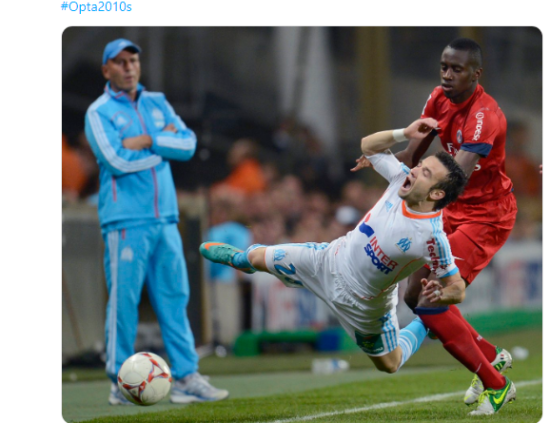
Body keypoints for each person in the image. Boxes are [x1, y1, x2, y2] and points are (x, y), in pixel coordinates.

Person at [202, 119, 516, 415]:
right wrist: (404, 133)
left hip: (365, 306)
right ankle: (239, 259)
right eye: (420, 165)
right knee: (258, 258)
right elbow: (368, 146)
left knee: (390, 364)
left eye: (425, 173)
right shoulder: (400, 179)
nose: (414, 170)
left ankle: (423, 325)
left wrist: (443, 295)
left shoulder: (431, 237)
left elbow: (457, 287)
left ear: (435, 193)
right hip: (326, 261)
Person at [84, 38, 228, 405]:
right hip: (125, 220)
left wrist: (147, 139)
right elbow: (115, 160)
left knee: (175, 297)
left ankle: (186, 376)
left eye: (133, 60)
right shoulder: (98, 112)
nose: (128, 67)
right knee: (124, 301)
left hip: (165, 217)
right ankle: (118, 381)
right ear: (106, 70)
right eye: (120, 62)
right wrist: (165, 148)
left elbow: (189, 145)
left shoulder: (157, 102)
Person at [383, 38, 517, 408]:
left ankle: (497, 384)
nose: (447, 75)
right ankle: (491, 356)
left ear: (476, 74)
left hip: (486, 216)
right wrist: (380, 160)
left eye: (457, 69)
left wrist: (414, 203)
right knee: (414, 297)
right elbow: (412, 154)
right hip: (450, 210)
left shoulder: (484, 116)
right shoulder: (437, 99)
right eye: (444, 66)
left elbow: (453, 178)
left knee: (432, 301)